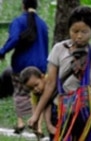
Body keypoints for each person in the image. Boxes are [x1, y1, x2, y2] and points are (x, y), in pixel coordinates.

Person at [27, 6, 91, 140]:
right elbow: (50, 85)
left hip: (88, 114)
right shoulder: (59, 50)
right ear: (69, 30)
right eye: (75, 31)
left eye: (84, 31)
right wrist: (36, 115)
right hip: (61, 112)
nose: (79, 35)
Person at [0, 0, 48, 134]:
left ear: (23, 6)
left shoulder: (19, 21)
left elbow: (14, 38)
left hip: (22, 64)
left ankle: (21, 122)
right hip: (40, 66)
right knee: (40, 97)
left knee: (20, 93)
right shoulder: (43, 24)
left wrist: (3, 51)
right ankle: (38, 126)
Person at [20, 66, 56, 137]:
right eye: (31, 88)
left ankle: (49, 126)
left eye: (36, 85)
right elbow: (35, 111)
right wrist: (36, 125)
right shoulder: (34, 94)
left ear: (42, 77)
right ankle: (49, 126)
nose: (35, 89)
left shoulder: (49, 78)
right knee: (46, 105)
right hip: (50, 107)